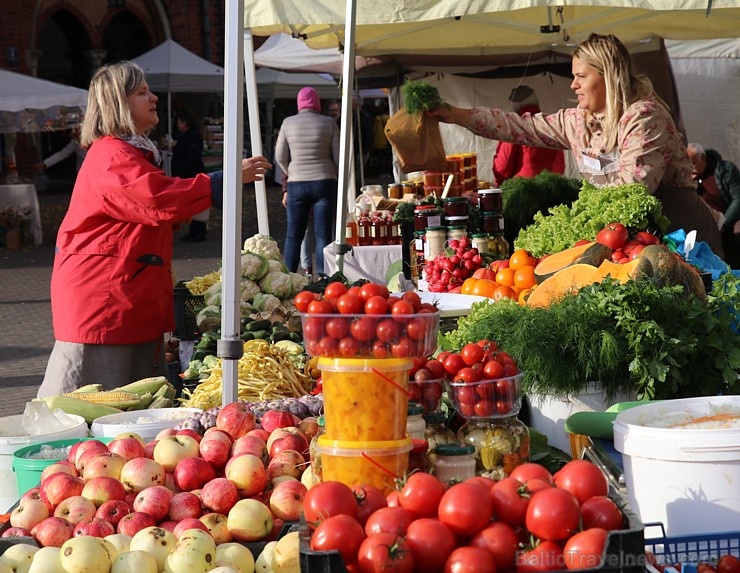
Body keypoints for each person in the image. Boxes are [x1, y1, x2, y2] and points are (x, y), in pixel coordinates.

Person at [37, 61, 271, 397]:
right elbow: (155, 199)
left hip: (122, 297)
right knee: (92, 406)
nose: (154, 98)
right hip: (105, 303)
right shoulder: (113, 155)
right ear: (118, 102)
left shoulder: (127, 153)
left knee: (126, 404)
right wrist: (225, 180)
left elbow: (146, 208)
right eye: (142, 92)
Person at [426, 33, 724, 258]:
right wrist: (457, 115)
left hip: (682, 239)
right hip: (626, 242)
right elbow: (521, 126)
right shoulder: (578, 121)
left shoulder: (644, 116)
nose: (573, 85)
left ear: (608, 75)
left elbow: (633, 188)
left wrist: (579, 231)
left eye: (581, 76)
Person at [275, 86, 339, 276]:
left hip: (297, 183)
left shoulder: (288, 123)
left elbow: (279, 156)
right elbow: (338, 157)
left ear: (299, 103)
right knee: (323, 235)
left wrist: (291, 171)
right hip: (324, 182)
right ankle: (324, 276)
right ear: (317, 104)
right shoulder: (329, 123)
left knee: (294, 234)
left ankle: (290, 278)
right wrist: (330, 171)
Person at [492, 85, 565, 186]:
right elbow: (560, 163)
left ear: (517, 105)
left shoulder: (515, 124)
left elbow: (502, 165)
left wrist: (500, 183)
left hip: (524, 188)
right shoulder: (549, 122)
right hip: (553, 186)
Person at [687, 142, 740, 266]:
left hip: (724, 230)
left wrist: (724, 224)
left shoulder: (725, 170)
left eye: (694, 163)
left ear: (703, 157)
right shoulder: (688, 177)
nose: (692, 167)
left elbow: (738, 199)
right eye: (688, 164)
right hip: (700, 233)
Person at [171, 109, 209, 242]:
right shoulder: (187, 136)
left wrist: (181, 170)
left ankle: (199, 231)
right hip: (188, 174)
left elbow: (192, 156)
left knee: (197, 205)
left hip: (193, 174)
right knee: (193, 205)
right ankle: (195, 230)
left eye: (180, 122)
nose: (178, 125)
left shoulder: (192, 136)